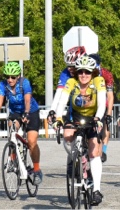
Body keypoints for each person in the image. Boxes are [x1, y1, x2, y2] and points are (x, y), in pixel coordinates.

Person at [50, 55, 106, 206]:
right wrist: (58, 118)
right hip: (76, 116)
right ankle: (77, 158)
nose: (83, 75)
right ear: (76, 72)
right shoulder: (71, 82)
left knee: (94, 151)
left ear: (92, 73)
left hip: (93, 117)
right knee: (67, 135)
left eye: (87, 72)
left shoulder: (98, 81)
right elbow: (62, 101)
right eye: (80, 72)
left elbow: (102, 102)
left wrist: (99, 118)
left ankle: (96, 190)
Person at [0, 62, 43, 185]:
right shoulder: (3, 85)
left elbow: (27, 100)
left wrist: (26, 113)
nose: (10, 79)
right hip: (15, 112)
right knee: (12, 130)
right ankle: (13, 159)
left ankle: (37, 169)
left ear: (18, 76)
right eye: (7, 76)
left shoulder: (24, 83)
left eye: (13, 77)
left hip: (30, 111)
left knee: (32, 141)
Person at [47, 46, 86, 124]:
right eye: (68, 66)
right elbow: (59, 94)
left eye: (72, 66)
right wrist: (53, 111)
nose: (69, 69)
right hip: (76, 106)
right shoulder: (66, 73)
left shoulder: (90, 72)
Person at [88, 53, 114, 163]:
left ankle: (103, 150)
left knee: (105, 126)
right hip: (90, 103)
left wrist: (108, 114)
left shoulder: (106, 74)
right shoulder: (85, 72)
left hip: (104, 102)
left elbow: (110, 95)